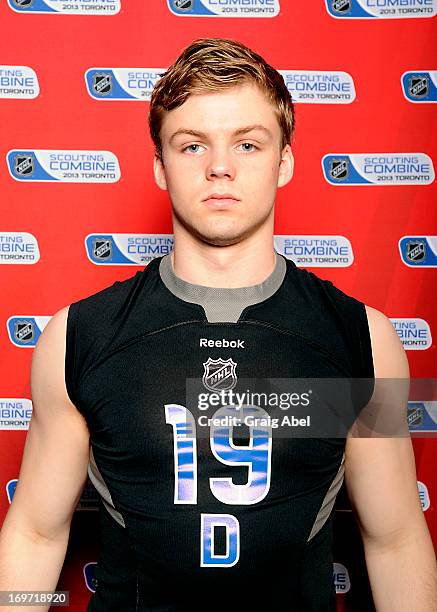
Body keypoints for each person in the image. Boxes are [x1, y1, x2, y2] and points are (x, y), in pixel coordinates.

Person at [0, 37, 436, 612]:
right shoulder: (81, 337)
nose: (220, 167)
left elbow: (395, 539)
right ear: (159, 166)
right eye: (191, 145)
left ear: (285, 161)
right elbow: (35, 532)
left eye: (248, 143)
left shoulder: (360, 341)